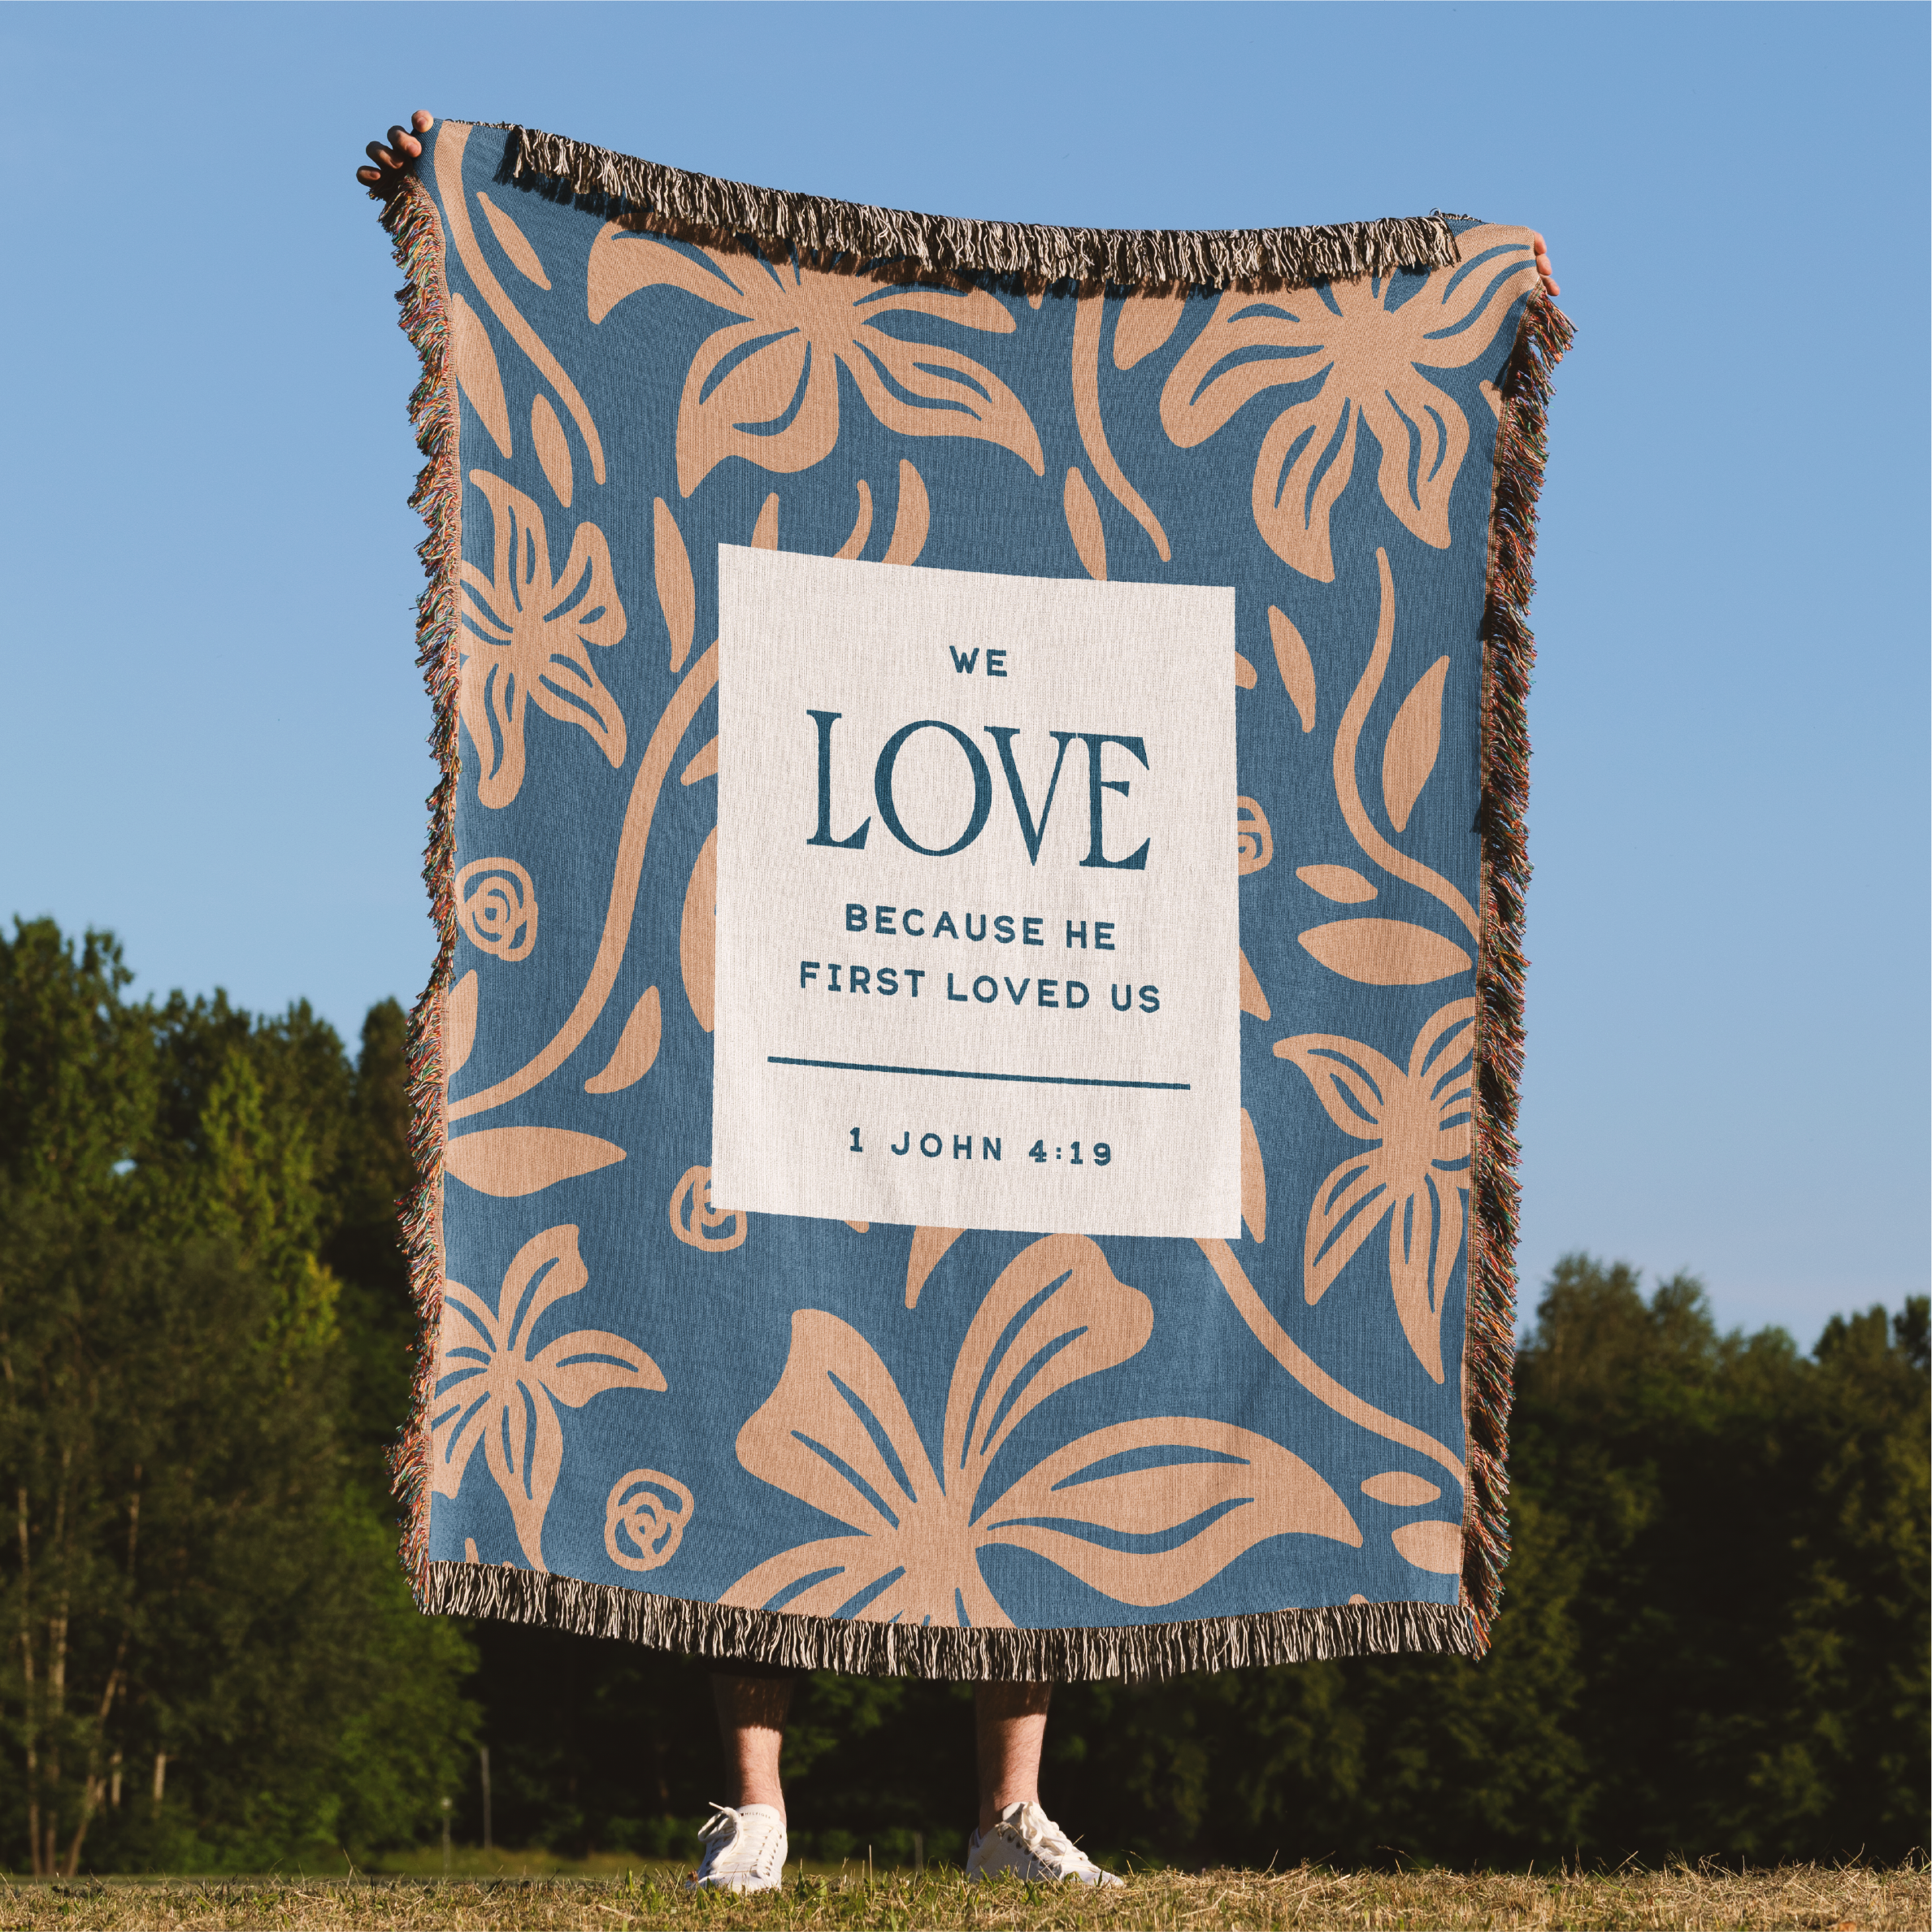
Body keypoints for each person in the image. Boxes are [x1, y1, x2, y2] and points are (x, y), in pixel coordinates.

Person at [355, 111, 1559, 1892]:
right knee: (753, 1351)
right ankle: (755, 1807)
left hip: (1039, 1010)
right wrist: (463, 177)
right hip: (822, 977)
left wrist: (1471, 298)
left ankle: (1010, 1813)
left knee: (1036, 1395)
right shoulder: (822, 545)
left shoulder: (1071, 556)